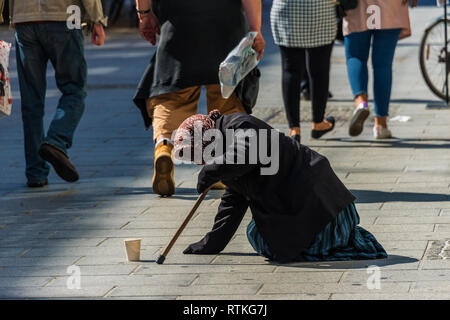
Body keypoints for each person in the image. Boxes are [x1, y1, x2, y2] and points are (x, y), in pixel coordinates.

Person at [173, 110, 387, 263]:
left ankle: (329, 240)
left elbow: (243, 155)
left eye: (199, 157)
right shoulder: (224, 152)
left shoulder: (240, 125)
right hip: (318, 204)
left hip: (322, 204)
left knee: (260, 235)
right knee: (259, 231)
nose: (201, 163)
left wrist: (210, 172)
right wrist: (210, 244)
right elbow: (233, 203)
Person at [133, 0, 265, 197]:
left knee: (172, 98)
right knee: (225, 99)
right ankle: (220, 168)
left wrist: (144, 14)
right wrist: (255, 29)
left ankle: (164, 146)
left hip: (178, 25)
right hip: (226, 27)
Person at [0, 0, 107, 187]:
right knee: (74, 89)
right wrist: (96, 18)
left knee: (31, 100)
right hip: (65, 16)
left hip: (24, 19)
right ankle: (56, 140)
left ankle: (36, 172)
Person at [344, 0, 418, 139]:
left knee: (356, 56)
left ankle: (361, 103)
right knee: (383, 65)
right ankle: (381, 125)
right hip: (391, 6)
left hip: (358, 6)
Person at [271, 0, 338, 143]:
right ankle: (318, 123)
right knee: (319, 71)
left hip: (286, 10)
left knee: (290, 70)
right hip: (320, 10)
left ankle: (294, 129)